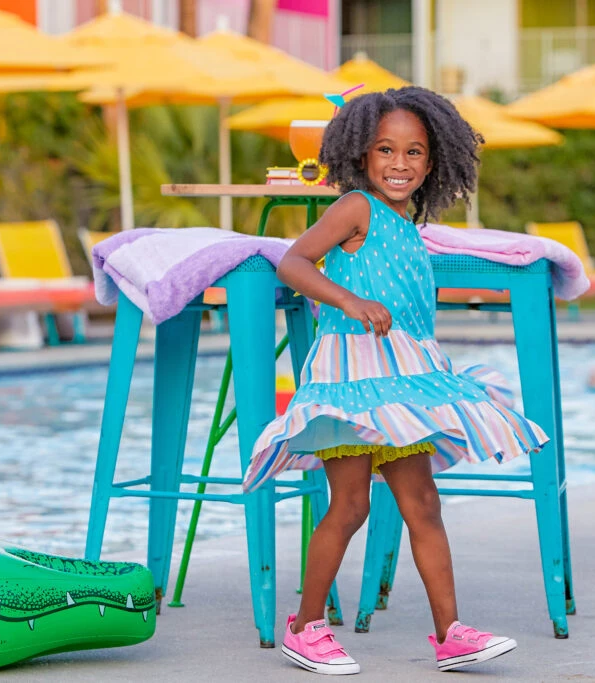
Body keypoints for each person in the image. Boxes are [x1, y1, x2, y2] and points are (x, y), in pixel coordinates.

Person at [241, 87, 547, 675]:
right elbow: (293, 262)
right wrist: (350, 300)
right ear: (361, 155)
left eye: (414, 152)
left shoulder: (411, 227)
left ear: (433, 164)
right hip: (352, 376)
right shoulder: (354, 206)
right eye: (386, 150)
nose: (399, 164)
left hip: (405, 383)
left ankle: (451, 632)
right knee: (350, 503)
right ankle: (305, 627)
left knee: (424, 503)